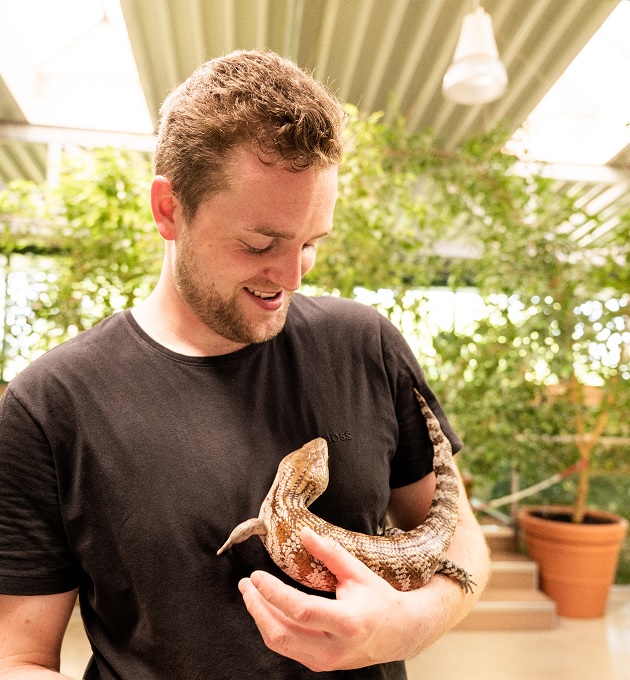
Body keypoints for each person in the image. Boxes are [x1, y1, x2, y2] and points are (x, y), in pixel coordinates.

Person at [0, 50, 489, 679]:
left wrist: (408, 626)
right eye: (259, 244)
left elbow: (457, 537)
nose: (290, 277)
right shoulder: (51, 404)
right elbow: (18, 658)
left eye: (310, 243)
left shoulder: (364, 345)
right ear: (168, 209)